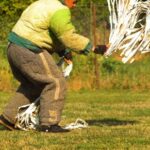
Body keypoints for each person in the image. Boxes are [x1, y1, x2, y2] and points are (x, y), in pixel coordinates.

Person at [0, 0, 107, 132]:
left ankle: (7, 119)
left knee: (33, 85)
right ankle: (49, 124)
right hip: (30, 49)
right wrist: (93, 48)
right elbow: (67, 36)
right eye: (75, 0)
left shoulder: (43, 3)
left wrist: (64, 51)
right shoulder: (60, 10)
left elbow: (49, 33)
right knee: (55, 82)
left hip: (13, 48)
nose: (76, 3)